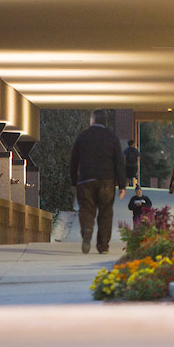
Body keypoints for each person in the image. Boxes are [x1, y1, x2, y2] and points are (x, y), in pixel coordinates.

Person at [68, 109, 126, 255]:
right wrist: (122, 185)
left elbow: (73, 161)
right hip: (107, 180)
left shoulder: (83, 137)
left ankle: (87, 229)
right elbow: (119, 162)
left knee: (86, 209)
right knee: (106, 212)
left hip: (86, 179)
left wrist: (74, 181)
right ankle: (103, 246)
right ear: (105, 121)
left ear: (92, 120)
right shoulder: (112, 138)